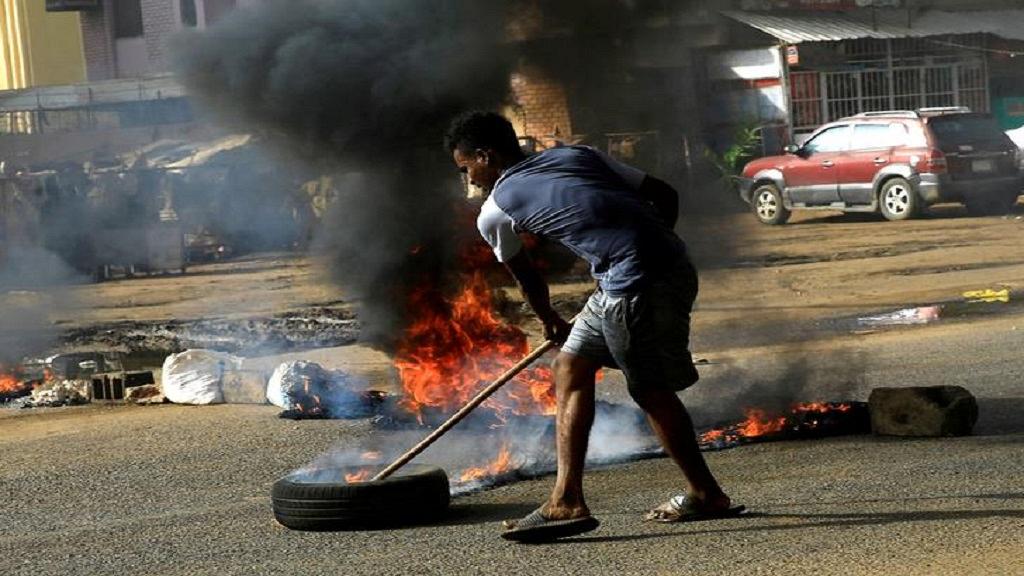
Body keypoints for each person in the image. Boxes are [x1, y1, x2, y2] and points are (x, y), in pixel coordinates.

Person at [445, 111, 743, 543]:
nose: (470, 179)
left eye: (466, 167)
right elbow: (664, 194)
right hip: (643, 274)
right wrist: (656, 249)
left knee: (650, 390)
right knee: (571, 367)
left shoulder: (495, 210)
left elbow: (525, 275)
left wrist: (550, 318)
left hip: (635, 286)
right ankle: (566, 499)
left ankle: (706, 495)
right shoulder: (577, 155)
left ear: (485, 156)